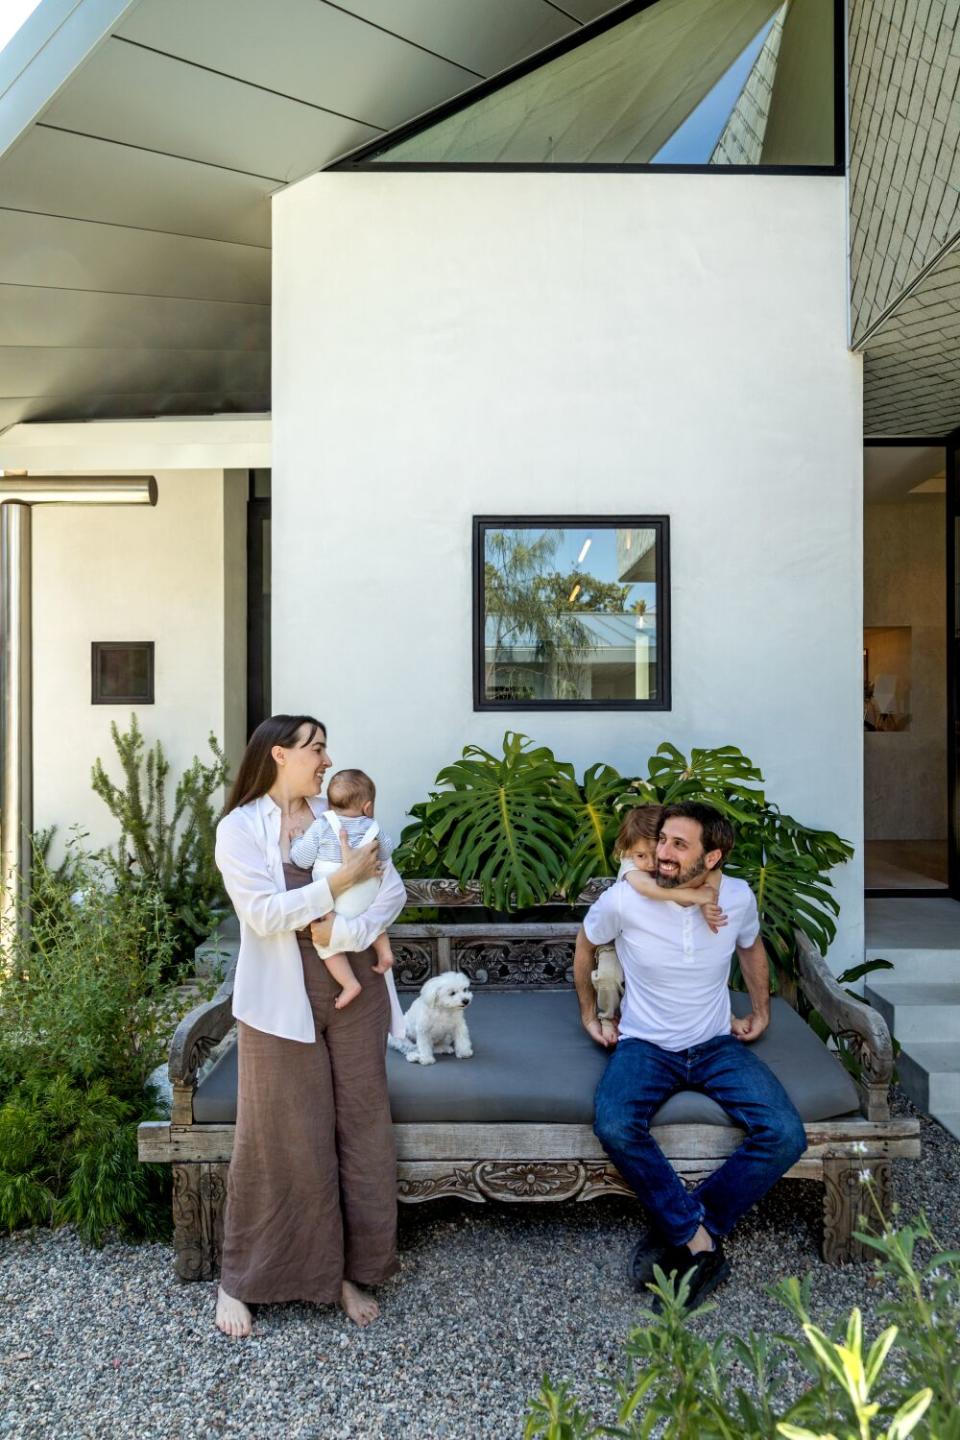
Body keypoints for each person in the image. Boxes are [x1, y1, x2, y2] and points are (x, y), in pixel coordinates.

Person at [213, 715, 406, 1338]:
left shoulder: (340, 813)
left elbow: (391, 891)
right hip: (278, 999)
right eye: (316, 748)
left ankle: (347, 1272)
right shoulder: (240, 828)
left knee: (361, 1125)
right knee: (278, 1136)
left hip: (355, 994)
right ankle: (240, 1279)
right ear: (279, 754)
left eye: (325, 748)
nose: (326, 759)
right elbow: (264, 914)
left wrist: (340, 929)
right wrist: (339, 885)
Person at [574, 801, 806, 1311]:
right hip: (644, 1045)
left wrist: (761, 1011)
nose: (662, 853)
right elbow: (586, 944)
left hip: (715, 1044)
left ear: (714, 856)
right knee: (615, 1123)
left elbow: (750, 947)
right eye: (662, 841)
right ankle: (700, 1246)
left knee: (786, 1133)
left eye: (679, 845)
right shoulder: (625, 897)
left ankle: (685, 1227)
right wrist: (591, 1015)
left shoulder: (738, 898)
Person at [290, 768, 396, 1010]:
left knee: (325, 945)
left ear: (329, 804)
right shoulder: (373, 828)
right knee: (375, 918)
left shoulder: (321, 825)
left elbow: (302, 859)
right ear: (368, 807)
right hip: (366, 893)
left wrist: (297, 839)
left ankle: (349, 984)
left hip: (333, 900)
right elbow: (387, 850)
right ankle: (385, 954)